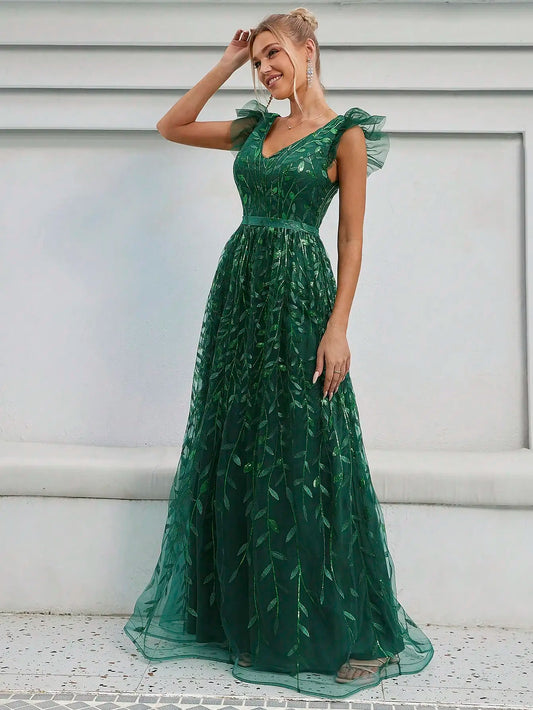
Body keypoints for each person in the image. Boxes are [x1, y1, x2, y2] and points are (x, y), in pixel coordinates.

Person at [123, 6, 434, 698]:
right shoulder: (255, 125)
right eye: (258, 58)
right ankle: (240, 617)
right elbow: (170, 126)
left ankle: (316, 623)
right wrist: (227, 62)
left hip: (300, 295)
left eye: (272, 55)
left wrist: (338, 328)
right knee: (235, 439)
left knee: (300, 447)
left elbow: (351, 240)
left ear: (307, 50)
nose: (266, 68)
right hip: (240, 293)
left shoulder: (345, 133)